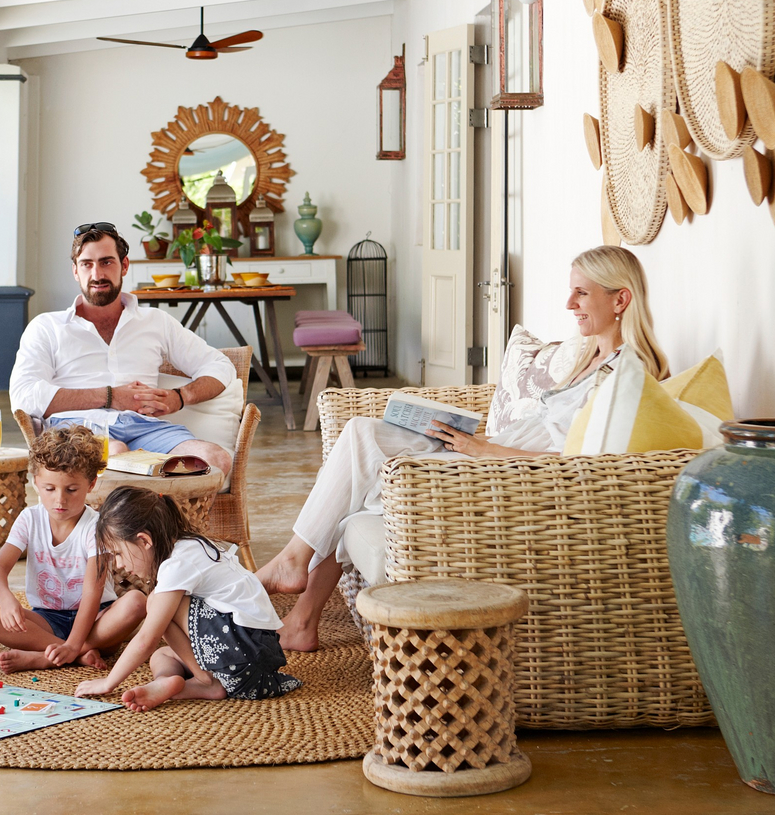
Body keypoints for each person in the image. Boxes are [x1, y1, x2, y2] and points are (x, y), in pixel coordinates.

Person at [257, 245, 672, 651]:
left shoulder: (627, 376)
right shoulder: (588, 356)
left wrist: (483, 451)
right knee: (361, 434)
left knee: (357, 476)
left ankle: (297, 583)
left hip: (510, 472)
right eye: (571, 291)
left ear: (620, 299)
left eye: (581, 292)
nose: (569, 304)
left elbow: (581, 463)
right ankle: (300, 611)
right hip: (496, 448)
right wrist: (477, 438)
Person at [9, 222, 237, 476]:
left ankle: (165, 503)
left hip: (146, 428)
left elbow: (220, 365)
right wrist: (109, 396)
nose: (97, 274)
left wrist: (180, 397)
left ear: (124, 265)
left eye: (106, 262)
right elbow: (23, 396)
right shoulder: (47, 326)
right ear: (75, 271)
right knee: (114, 452)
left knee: (214, 460)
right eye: (87, 264)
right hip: (75, 427)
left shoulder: (155, 321)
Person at [74, 487, 300, 711]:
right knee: (162, 655)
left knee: (155, 603)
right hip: (250, 663)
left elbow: (146, 640)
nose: (119, 564)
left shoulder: (178, 564)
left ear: (144, 541)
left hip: (243, 655)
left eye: (118, 553)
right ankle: (172, 682)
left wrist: (108, 682)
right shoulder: (192, 545)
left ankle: (204, 679)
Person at [0, 425, 147, 674]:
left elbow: (92, 592)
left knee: (136, 602)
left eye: (71, 490)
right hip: (46, 620)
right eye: (50, 489)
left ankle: (50, 656)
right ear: (36, 482)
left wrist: (74, 643)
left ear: (91, 484)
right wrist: (6, 600)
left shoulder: (97, 525)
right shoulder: (29, 519)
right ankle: (75, 655)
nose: (60, 499)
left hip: (96, 622)